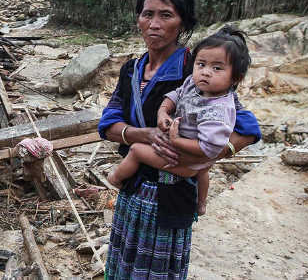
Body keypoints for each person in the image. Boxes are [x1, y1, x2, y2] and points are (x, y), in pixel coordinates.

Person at [98, 0, 261, 280]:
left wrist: (204, 156)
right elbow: (108, 123)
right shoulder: (131, 70)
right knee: (123, 263)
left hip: (171, 194)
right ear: (138, 19)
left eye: (166, 15)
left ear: (182, 21)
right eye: (148, 14)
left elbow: (247, 129)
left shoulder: (196, 69)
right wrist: (143, 135)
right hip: (133, 188)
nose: (155, 24)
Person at [107, 25, 251, 216]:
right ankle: (201, 204)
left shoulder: (220, 105)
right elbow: (108, 121)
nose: (206, 72)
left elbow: (238, 133)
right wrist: (163, 111)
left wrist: (177, 143)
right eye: (201, 64)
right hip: (156, 179)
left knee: (136, 150)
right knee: (203, 172)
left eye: (217, 68)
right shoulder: (190, 81)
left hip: (179, 166)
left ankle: (116, 179)